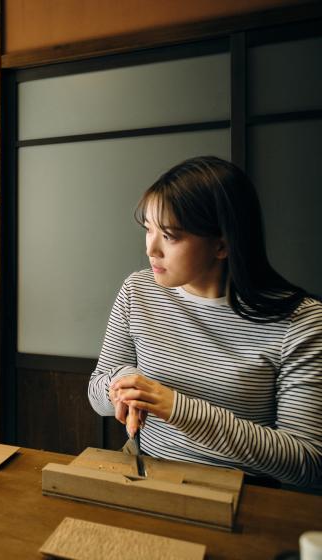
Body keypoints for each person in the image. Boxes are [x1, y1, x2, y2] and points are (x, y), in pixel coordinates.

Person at [88, 156, 322, 489]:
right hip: (144, 474)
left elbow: (309, 462)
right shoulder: (138, 290)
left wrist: (178, 408)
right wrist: (124, 382)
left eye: (170, 236)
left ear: (222, 245)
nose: (151, 249)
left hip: (245, 493)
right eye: (149, 230)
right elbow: (96, 392)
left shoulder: (301, 321)